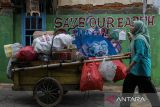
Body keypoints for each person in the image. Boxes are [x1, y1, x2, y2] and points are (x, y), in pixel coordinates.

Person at [121, 20, 160, 107]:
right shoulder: (136, 37)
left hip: (141, 70)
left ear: (138, 28)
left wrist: (129, 67)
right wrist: (130, 54)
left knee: (150, 93)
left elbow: (140, 54)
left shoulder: (139, 38)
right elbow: (137, 51)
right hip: (136, 71)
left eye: (132, 26)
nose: (130, 27)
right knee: (128, 90)